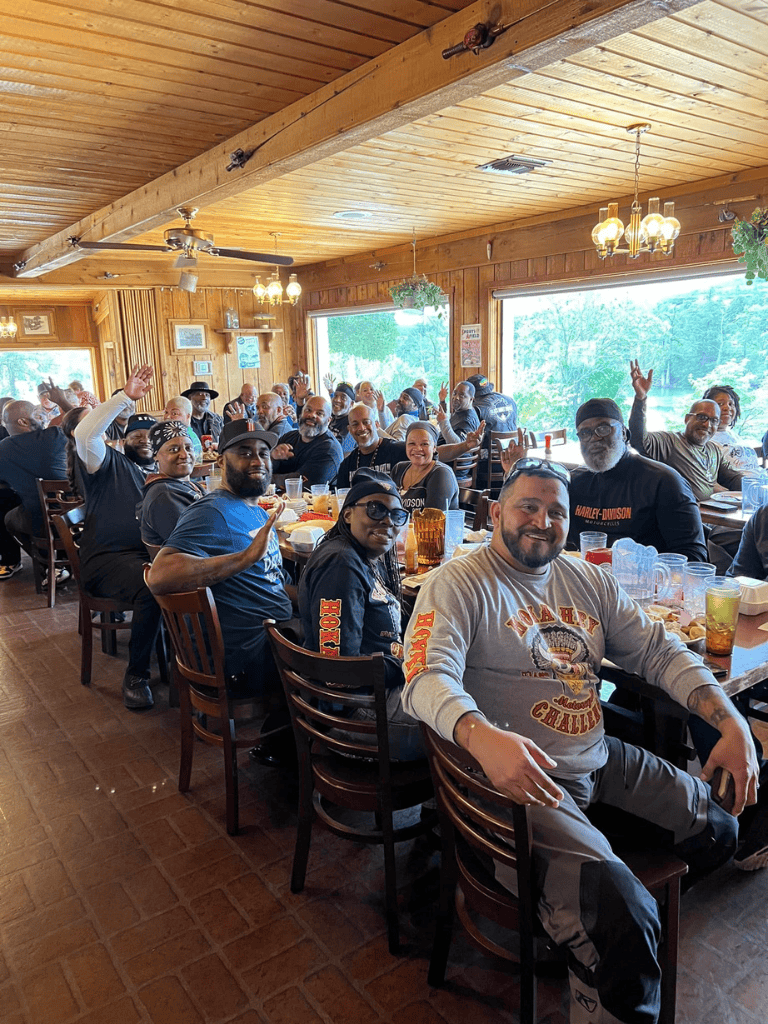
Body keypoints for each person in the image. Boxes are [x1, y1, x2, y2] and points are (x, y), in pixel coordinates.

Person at [402, 457, 756, 1024]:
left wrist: (730, 721)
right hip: (518, 785)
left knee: (720, 825)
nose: (542, 521)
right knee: (622, 917)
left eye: (556, 512)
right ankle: (598, 945)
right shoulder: (458, 583)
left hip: (595, 755)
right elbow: (424, 678)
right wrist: (483, 737)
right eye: (528, 506)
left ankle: (585, 925)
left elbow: (660, 650)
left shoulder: (587, 578)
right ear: (496, 512)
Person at [147, 418, 293, 766]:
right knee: (341, 654)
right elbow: (159, 576)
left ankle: (285, 742)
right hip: (243, 660)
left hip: (267, 638)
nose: (257, 460)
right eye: (244, 452)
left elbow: (272, 579)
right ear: (220, 461)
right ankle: (312, 760)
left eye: (263, 452)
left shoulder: (253, 509)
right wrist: (244, 558)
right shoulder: (212, 512)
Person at [298, 470, 423, 760]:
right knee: (461, 723)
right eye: (375, 509)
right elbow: (340, 671)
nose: (387, 521)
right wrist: (411, 665)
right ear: (347, 515)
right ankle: (438, 799)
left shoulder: (358, 555)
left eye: (396, 514)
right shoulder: (341, 565)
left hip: (371, 694)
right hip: (352, 713)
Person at [73, 364, 162, 710]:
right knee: (152, 587)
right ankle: (136, 675)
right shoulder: (103, 461)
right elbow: (84, 435)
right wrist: (125, 397)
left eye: (149, 438)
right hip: (108, 559)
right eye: (136, 437)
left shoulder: (157, 474)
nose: (143, 441)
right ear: (122, 440)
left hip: (148, 554)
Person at [553, 397, 706, 559]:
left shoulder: (664, 481)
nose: (595, 438)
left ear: (624, 433)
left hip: (644, 581)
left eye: (604, 428)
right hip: (586, 579)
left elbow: (695, 557)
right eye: (585, 433)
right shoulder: (574, 483)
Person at [628, 361, 744, 502]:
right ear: (687, 419)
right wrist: (641, 399)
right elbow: (638, 439)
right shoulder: (670, 442)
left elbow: (732, 478)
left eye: (714, 420)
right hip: (685, 518)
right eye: (702, 417)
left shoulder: (714, 450)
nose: (707, 424)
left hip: (715, 514)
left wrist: (755, 487)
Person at [0, 382, 71, 580]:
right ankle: (67, 561)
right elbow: (79, 419)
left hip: (39, 522)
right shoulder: (54, 436)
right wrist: (62, 401)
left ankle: (49, 564)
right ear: (23, 421)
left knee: (8, 518)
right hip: (76, 517)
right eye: (36, 414)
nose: (42, 417)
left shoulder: (3, 449)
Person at [137, 422, 205, 560]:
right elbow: (197, 546)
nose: (185, 455)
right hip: (190, 575)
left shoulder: (188, 485)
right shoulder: (164, 495)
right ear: (155, 456)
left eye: (188, 448)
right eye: (174, 449)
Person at [270, 396, 343, 489]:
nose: (312, 415)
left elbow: (302, 484)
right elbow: (265, 468)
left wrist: (265, 479)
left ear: (328, 421)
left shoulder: (330, 449)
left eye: (319, 413)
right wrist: (272, 457)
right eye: (308, 410)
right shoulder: (288, 437)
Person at [391, 421, 459, 512]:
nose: (418, 449)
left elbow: (432, 519)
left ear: (434, 447)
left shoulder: (441, 473)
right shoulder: (398, 469)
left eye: (424, 444)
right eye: (412, 443)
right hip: (400, 525)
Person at [703, 385, 760, 471]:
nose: (727, 407)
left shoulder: (733, 435)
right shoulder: (705, 441)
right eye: (720, 404)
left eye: (731, 404)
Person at [162, 396, 203, 461]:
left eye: (174, 413)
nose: (167, 417)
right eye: (166, 412)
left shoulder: (186, 437)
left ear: (188, 416)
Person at [328, 382, 356, 455]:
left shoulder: (352, 425)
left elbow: (341, 453)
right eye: (335, 396)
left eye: (343, 398)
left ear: (351, 404)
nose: (337, 400)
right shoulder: (330, 417)